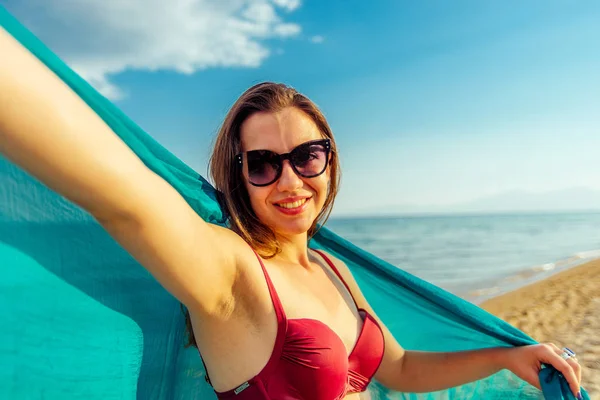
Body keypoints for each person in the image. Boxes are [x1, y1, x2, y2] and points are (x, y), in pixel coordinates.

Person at [0, 26, 584, 400]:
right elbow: (123, 197)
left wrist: (510, 356)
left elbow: (399, 369)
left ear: (329, 160)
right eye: (262, 164)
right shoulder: (228, 269)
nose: (289, 180)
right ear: (239, 176)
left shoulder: (334, 269)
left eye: (307, 156)